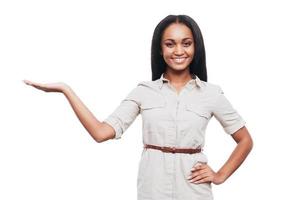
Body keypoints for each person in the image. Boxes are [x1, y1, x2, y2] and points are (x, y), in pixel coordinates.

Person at [23, 14, 253, 200]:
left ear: (196, 47)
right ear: (160, 49)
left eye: (186, 43)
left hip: (194, 190)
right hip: (152, 189)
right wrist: (66, 90)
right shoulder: (144, 91)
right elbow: (101, 132)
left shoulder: (211, 93)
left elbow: (245, 140)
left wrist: (220, 175)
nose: (179, 51)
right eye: (170, 44)